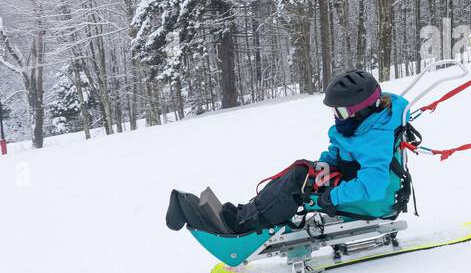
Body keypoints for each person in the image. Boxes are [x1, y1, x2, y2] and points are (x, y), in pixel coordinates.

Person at [165, 70, 413, 237]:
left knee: (298, 182)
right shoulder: (364, 124)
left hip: (373, 202)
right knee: (302, 173)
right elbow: (340, 150)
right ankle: (241, 214)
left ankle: (241, 225)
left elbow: (374, 184)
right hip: (355, 184)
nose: (337, 118)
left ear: (361, 110)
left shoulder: (375, 136)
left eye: (341, 112)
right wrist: (325, 163)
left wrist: (334, 196)